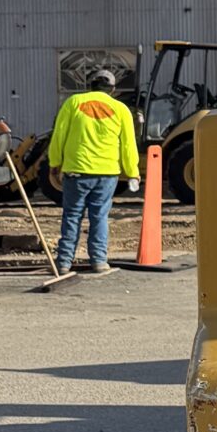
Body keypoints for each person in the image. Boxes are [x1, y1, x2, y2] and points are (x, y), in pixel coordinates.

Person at [46, 67, 140, 276]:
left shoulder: (73, 103)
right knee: (99, 216)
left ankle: (63, 263)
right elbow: (128, 145)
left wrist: (55, 162)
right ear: (112, 89)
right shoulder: (121, 109)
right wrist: (132, 171)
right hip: (107, 173)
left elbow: (59, 135)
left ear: (90, 85)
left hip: (76, 171)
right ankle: (98, 261)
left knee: (72, 216)